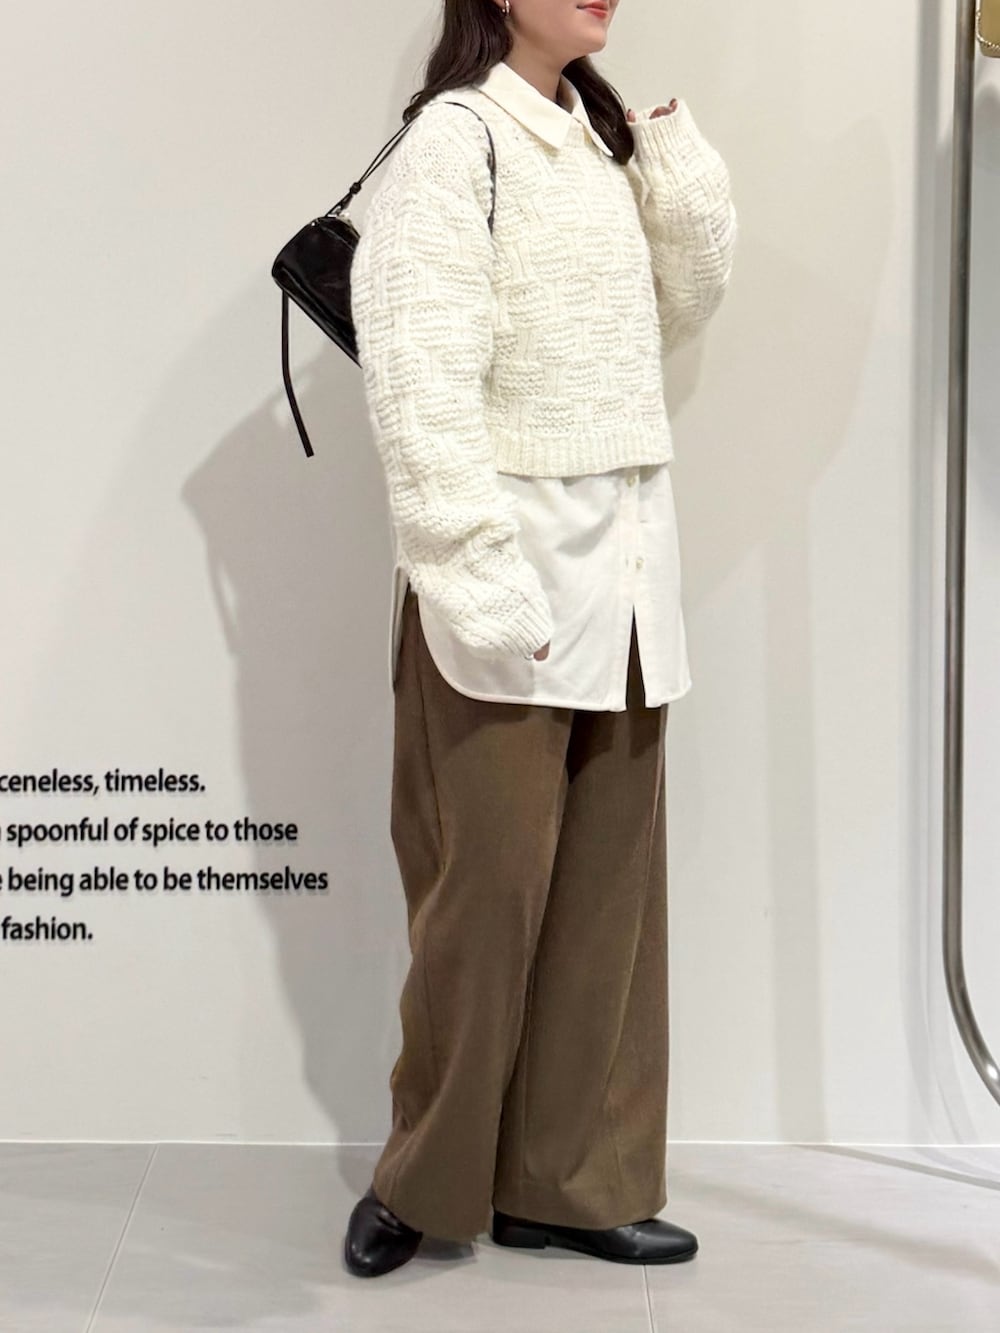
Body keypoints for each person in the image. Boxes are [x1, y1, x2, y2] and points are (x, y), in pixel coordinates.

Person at [344, 0, 737, 1278]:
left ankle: (568, 1184)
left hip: (623, 571)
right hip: (504, 579)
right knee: (483, 900)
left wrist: (667, 157)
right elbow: (415, 370)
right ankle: (423, 1181)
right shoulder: (455, 141)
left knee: (606, 906)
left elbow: (674, 313)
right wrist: (466, 566)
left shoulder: (598, 144)